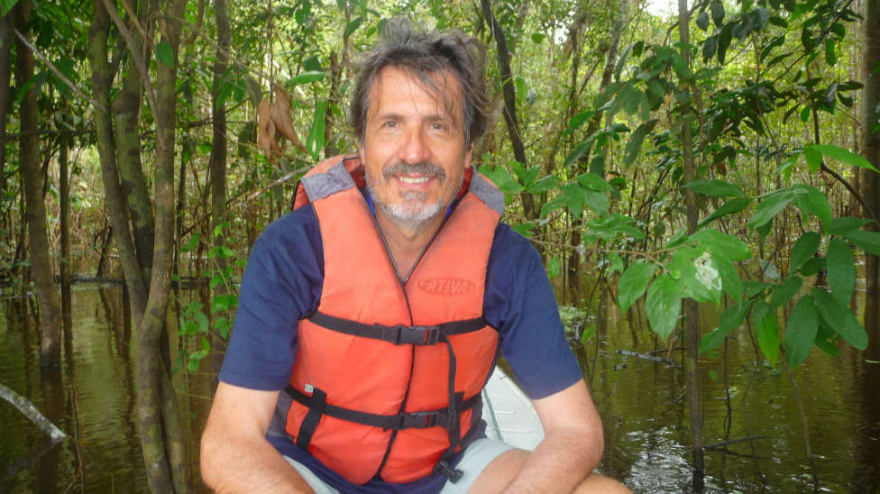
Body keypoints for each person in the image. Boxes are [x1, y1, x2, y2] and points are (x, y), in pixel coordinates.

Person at [201, 21, 629, 494]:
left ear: (468, 150)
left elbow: (577, 429)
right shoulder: (293, 250)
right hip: (309, 469)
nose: (413, 152)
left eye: (438, 126)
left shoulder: (507, 262)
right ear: (362, 144)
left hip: (448, 468)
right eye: (391, 124)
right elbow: (227, 443)